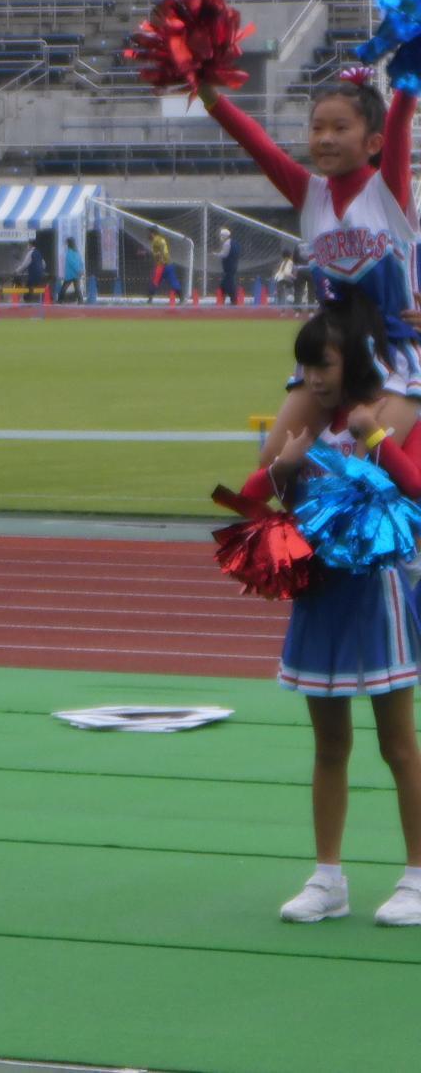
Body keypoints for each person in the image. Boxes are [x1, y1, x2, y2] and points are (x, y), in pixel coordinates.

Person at [241, 295, 421, 926]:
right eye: (304, 367)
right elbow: (242, 501)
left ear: (357, 358)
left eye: (322, 364)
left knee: (399, 746)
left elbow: (418, 489)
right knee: (330, 746)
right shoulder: (311, 426)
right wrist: (284, 471)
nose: (310, 379)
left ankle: (417, 877)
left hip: (380, 596)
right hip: (319, 597)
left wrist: (374, 437)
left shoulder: (393, 414)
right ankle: (328, 879)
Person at [208, 67, 415, 446]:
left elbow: (400, 119)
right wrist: (208, 95)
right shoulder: (310, 194)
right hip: (330, 352)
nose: (325, 139)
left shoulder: (387, 190)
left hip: (392, 350)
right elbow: (258, 146)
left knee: (371, 470)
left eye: (339, 128)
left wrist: (411, 62)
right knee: (274, 461)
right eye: (317, 129)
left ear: (373, 142)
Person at [58, 237, 85, 303]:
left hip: (70, 274)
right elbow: (81, 262)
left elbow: (72, 263)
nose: (65, 245)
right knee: (77, 288)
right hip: (77, 274)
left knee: (64, 288)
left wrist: (78, 270)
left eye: (66, 243)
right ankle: (81, 301)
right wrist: (81, 270)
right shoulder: (76, 252)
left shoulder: (69, 252)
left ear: (68, 244)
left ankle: (60, 300)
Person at [218, 226, 240, 305]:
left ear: (225, 236)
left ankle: (233, 300)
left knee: (229, 283)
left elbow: (224, 254)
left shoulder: (227, 243)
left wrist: (216, 255)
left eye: (221, 235)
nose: (221, 237)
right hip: (233, 266)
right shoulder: (234, 243)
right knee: (224, 284)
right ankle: (222, 299)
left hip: (228, 267)